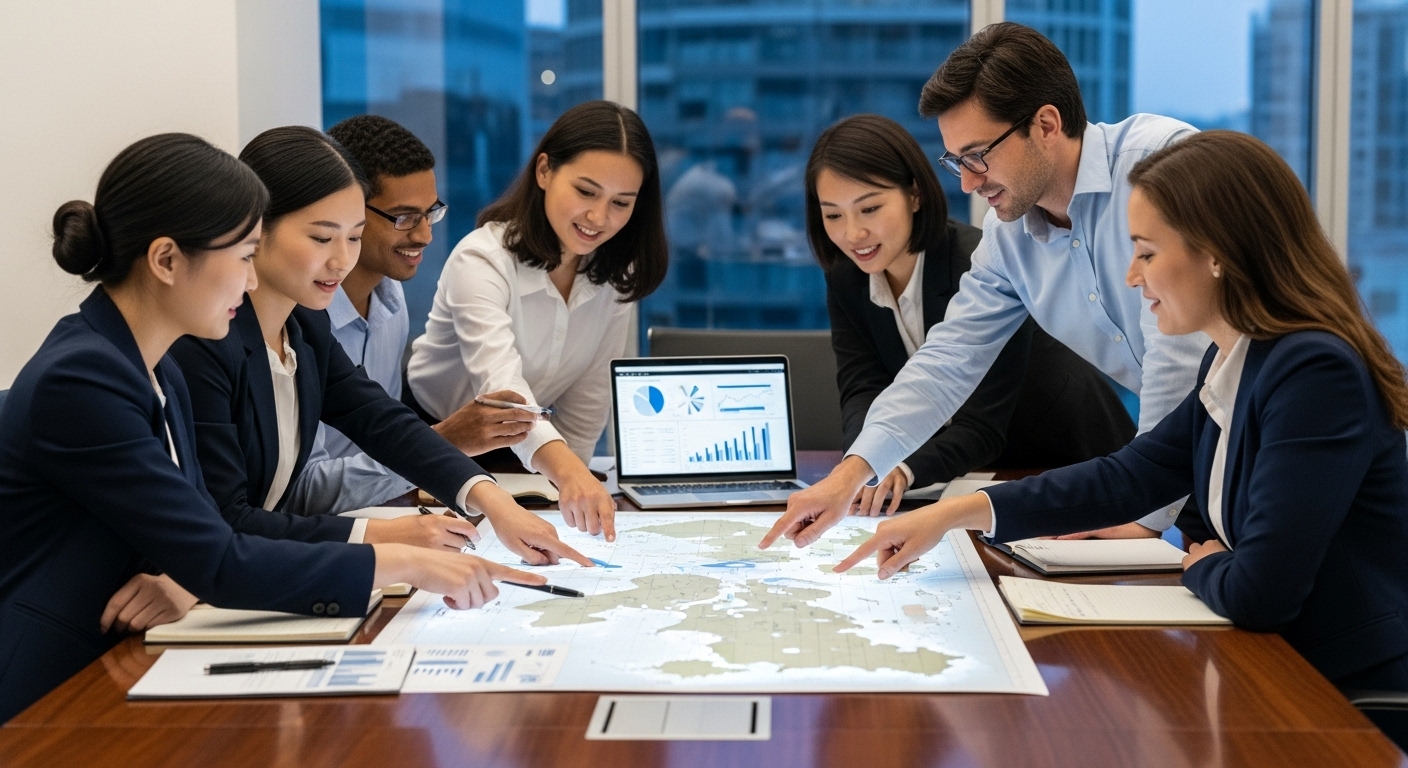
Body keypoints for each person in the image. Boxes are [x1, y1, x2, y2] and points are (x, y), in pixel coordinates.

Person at [0, 134, 555, 721]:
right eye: (244, 256)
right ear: (166, 261)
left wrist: (466, 508)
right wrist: (406, 560)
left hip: (130, 653)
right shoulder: (85, 377)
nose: (249, 281)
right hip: (52, 681)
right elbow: (220, 553)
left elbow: (208, 535)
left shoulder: (149, 364)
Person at [837, 131, 1408, 693]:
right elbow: (1133, 475)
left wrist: (1201, 564)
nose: (1132, 276)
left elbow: (1261, 593)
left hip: (1343, 691)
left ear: (1217, 255)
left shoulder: (1314, 372)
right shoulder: (1236, 358)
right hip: (1273, 670)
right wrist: (952, 515)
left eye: (1148, 253)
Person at [761, 22, 1210, 551]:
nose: (968, 182)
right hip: (1170, 466)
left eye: (977, 155)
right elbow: (948, 359)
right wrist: (851, 474)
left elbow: (1179, 357)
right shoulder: (1008, 234)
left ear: (1046, 124)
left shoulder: (1159, 164)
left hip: (1247, 444)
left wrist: (1144, 511)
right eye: (956, 162)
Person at [169, 126, 588, 566]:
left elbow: (379, 419)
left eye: (353, 237)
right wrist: (382, 535)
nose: (342, 260)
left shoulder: (304, 325)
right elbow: (226, 520)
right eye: (322, 238)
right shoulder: (205, 342)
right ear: (256, 228)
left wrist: (493, 500)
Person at [809, 114, 1134, 515]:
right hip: (981, 477)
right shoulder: (846, 277)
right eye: (833, 215)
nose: (853, 233)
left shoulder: (976, 262)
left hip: (1070, 459)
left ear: (915, 195)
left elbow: (982, 425)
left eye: (870, 208)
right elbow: (863, 387)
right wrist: (861, 467)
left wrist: (902, 469)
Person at [407, 100, 668, 543]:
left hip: (534, 453)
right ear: (544, 171)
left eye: (621, 203)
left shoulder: (613, 275)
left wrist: (574, 480)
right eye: (586, 192)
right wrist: (568, 473)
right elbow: (503, 393)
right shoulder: (482, 259)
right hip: (436, 442)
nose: (599, 217)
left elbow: (589, 395)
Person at [284, 115, 537, 515]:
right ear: (349, 211)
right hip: (318, 525)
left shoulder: (392, 300)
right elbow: (303, 491)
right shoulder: (299, 319)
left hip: (377, 508)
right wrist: (442, 441)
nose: (425, 235)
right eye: (403, 217)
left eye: (430, 213)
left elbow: (381, 434)